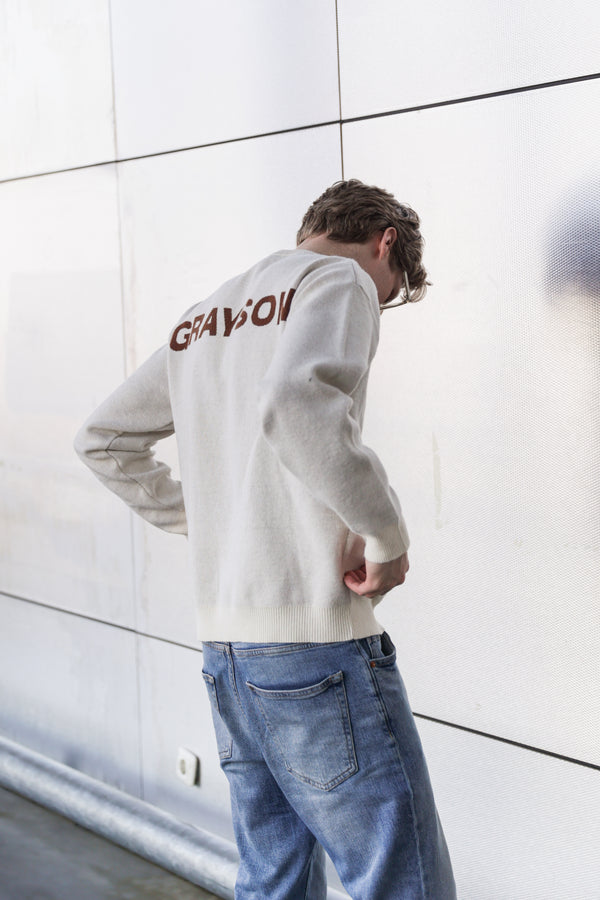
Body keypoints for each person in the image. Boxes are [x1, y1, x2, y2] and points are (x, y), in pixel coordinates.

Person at [74, 179, 457, 899]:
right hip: (314, 646)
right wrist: (386, 537)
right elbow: (296, 400)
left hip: (227, 654)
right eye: (389, 296)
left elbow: (103, 439)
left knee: (273, 881)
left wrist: (216, 516)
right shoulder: (340, 279)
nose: (376, 308)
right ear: (386, 245)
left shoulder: (207, 315)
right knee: (404, 881)